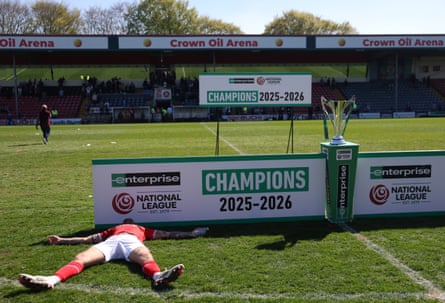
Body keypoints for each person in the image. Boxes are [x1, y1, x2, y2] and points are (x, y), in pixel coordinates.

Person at [18, 218, 209, 291]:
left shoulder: (141, 228)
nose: (128, 219)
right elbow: (87, 239)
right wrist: (61, 240)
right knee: (81, 258)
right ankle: (51, 280)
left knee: (145, 256)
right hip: (110, 243)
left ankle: (159, 277)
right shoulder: (113, 229)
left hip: (131, 242)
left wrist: (190, 234)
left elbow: (167, 235)